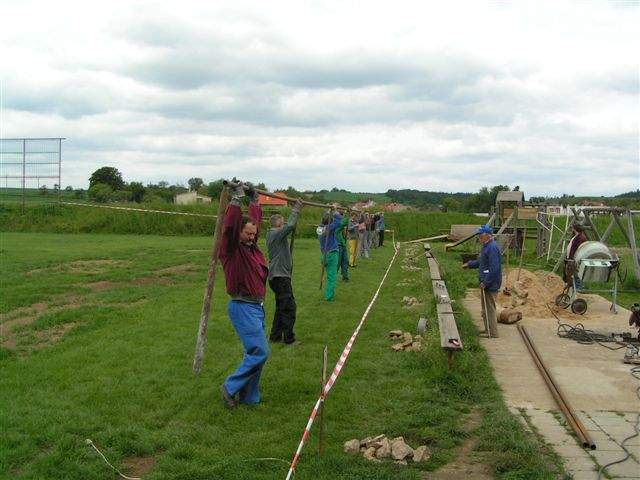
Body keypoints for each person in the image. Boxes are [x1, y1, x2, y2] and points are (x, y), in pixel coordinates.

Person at [219, 180, 269, 408]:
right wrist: (237, 198)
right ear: (239, 233)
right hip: (242, 306)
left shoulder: (252, 247)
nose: (251, 237)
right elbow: (229, 227)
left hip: (257, 308)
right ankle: (230, 386)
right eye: (247, 233)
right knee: (259, 351)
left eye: (253, 234)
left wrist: (254, 200)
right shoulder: (232, 249)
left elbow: (254, 222)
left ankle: (249, 397)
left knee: (255, 352)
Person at [266, 199, 303, 344]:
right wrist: (296, 209)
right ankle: (289, 338)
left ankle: (275, 336)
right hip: (280, 277)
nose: (284, 225)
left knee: (281, 308)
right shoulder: (276, 234)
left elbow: (290, 227)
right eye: (282, 223)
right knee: (289, 308)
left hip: (277, 277)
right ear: (278, 224)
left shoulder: (274, 234)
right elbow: (291, 225)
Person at [462, 225, 501, 338]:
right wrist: (469, 264)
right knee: (485, 309)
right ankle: (487, 329)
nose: (479, 237)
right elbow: (481, 262)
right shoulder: (486, 246)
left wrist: (486, 282)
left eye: (480, 235)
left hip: (490, 283)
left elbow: (494, 268)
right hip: (486, 282)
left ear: (487, 235)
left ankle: (493, 333)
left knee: (490, 308)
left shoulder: (492, 247)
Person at [318, 208, 342, 301]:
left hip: (324, 255)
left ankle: (328, 292)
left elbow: (325, 220)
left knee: (330, 275)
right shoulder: (329, 228)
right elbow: (339, 221)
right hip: (331, 254)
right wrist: (335, 211)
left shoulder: (319, 229)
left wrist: (328, 212)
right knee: (332, 277)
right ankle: (329, 297)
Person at [565, 222, 587, 289]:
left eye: (572, 228)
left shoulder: (580, 237)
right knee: (572, 273)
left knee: (576, 274)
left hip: (575, 258)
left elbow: (579, 249)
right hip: (571, 258)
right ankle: (575, 286)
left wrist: (575, 258)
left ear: (575, 228)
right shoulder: (576, 236)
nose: (572, 229)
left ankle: (579, 287)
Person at [334, 209, 350, 282]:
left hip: (342, 245)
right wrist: (348, 214)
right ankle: (333, 277)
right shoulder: (336, 225)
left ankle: (345, 277)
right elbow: (344, 222)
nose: (342, 217)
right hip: (338, 245)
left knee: (345, 261)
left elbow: (345, 222)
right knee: (337, 262)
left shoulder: (339, 224)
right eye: (341, 216)